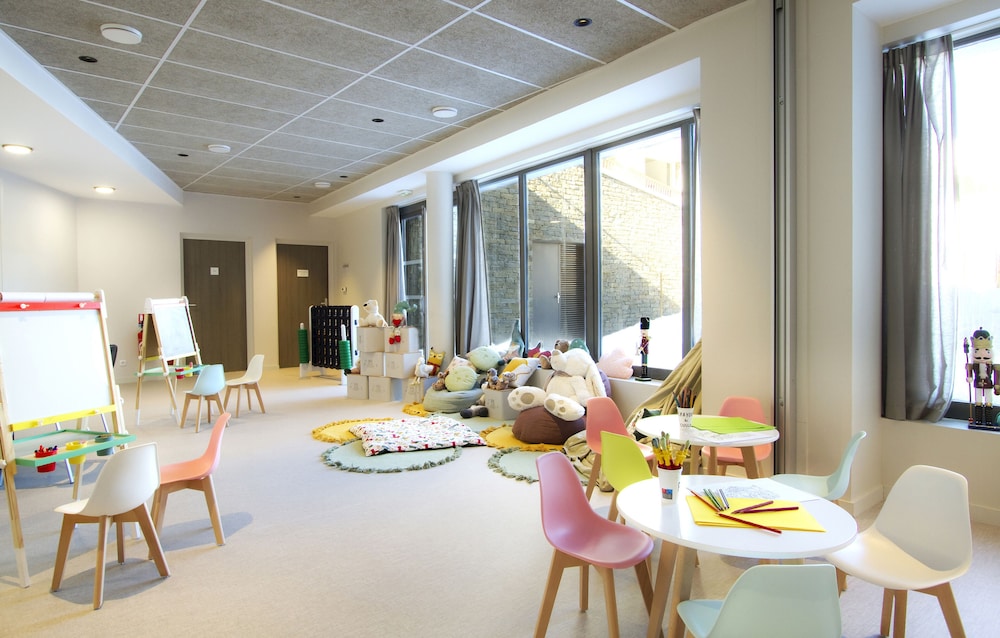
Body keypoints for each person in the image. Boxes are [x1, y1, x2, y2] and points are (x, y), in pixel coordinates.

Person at [966, 327, 1000, 426]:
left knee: (989, 401)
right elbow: (969, 370)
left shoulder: (991, 365)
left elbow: (996, 374)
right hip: (978, 384)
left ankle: (989, 420)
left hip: (988, 385)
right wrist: (969, 376)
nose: (982, 356)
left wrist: (997, 385)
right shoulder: (974, 365)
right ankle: (978, 420)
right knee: (978, 401)